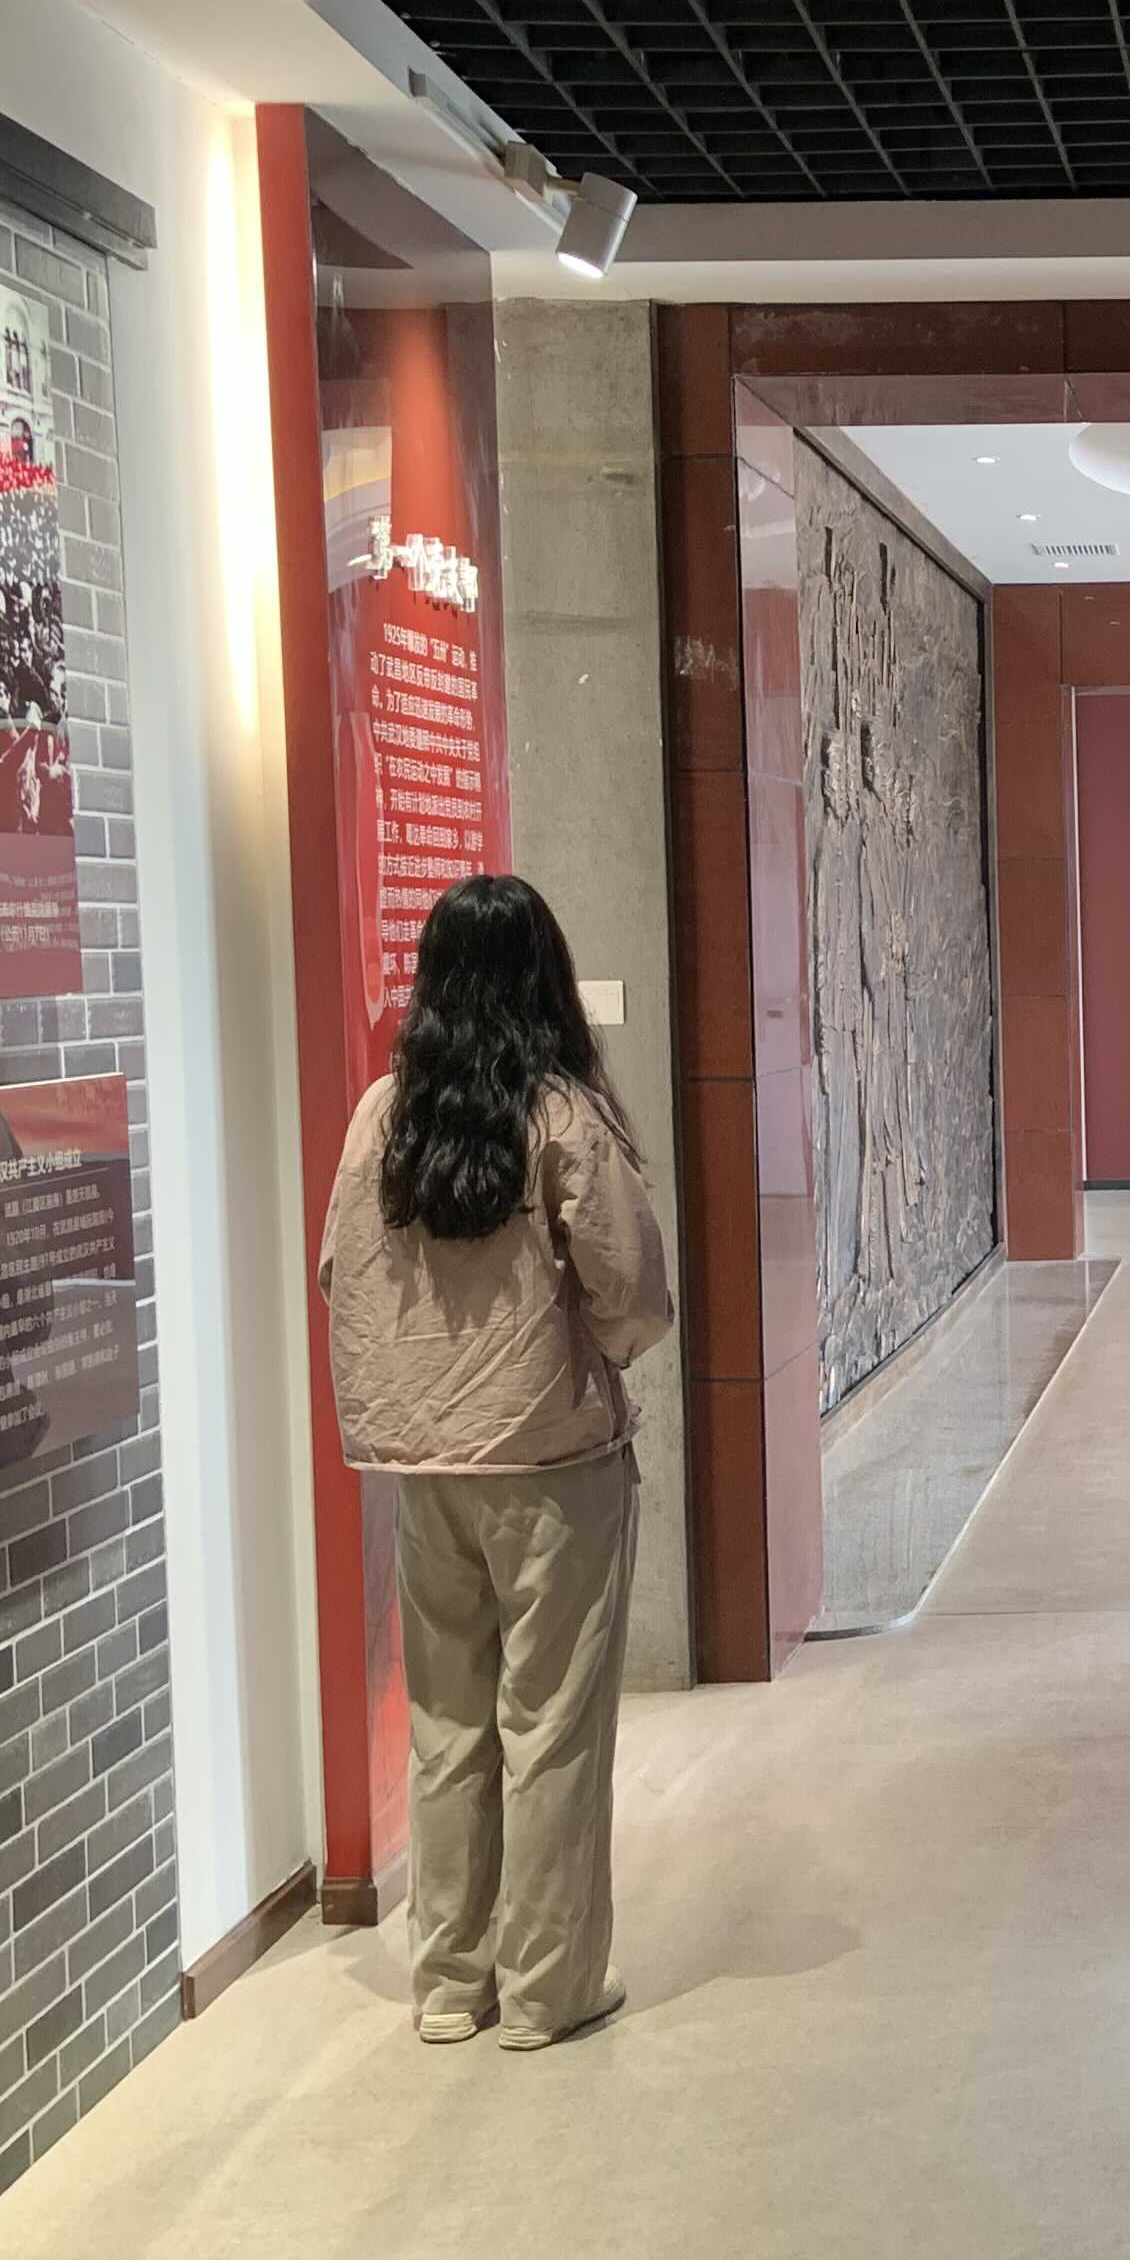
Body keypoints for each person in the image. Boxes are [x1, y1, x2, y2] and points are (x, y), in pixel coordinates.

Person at [318, 873, 672, 2051]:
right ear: (543, 979)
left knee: (447, 1726)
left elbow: (338, 1276)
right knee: (552, 1726)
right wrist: (598, 1352)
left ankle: (449, 1983)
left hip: (427, 1471)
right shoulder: (560, 1115)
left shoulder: (383, 1117)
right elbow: (634, 1290)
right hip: (554, 1462)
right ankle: (546, 1989)